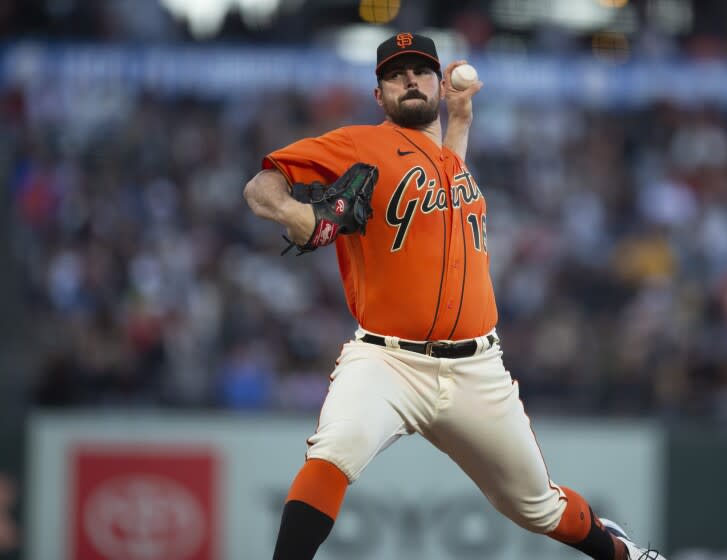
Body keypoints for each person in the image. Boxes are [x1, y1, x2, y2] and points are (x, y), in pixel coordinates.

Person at [243, 32, 665, 560]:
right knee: (333, 453)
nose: (410, 80)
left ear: (438, 86)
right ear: (379, 95)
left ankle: (626, 555)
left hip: (476, 368)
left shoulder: (450, 161)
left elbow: (442, 180)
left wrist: (461, 119)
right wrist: (299, 215)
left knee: (538, 507)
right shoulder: (359, 144)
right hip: (386, 361)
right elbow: (261, 186)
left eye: (420, 71)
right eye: (396, 75)